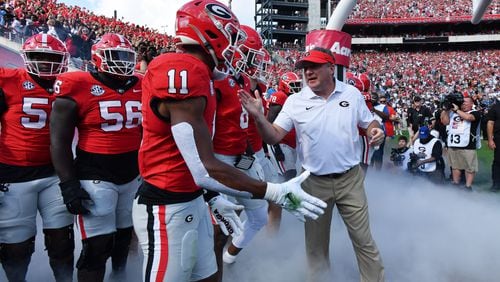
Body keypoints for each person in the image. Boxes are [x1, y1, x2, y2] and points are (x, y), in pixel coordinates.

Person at [133, 1, 326, 281]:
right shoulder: (181, 69)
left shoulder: (209, 75)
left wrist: (210, 197)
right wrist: (273, 191)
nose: (235, 47)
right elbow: (202, 167)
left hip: (191, 198)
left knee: (210, 276)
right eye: (233, 38)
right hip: (166, 204)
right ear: (211, 34)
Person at [239, 47, 385, 282]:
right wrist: (259, 118)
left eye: (314, 66)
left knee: (363, 240)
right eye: (305, 68)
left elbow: (369, 122)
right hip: (313, 182)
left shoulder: (352, 94)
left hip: (350, 179)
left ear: (330, 68)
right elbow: (274, 136)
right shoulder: (296, 101)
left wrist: (374, 130)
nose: (308, 72)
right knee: (315, 248)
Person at [50, 33, 142, 281]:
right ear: (98, 58)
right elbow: (59, 141)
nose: (122, 62)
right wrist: (69, 184)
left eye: (126, 57)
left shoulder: (142, 84)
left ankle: (120, 278)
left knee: (124, 238)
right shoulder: (78, 84)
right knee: (97, 246)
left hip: (132, 173)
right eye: (116, 56)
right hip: (95, 175)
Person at [0, 34, 74, 282]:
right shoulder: (8, 81)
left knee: (62, 239)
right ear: (25, 58)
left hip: (55, 173)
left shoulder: (72, 85)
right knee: (15, 244)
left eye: (50, 57)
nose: (44, 63)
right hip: (13, 173)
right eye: (38, 57)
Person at [266, 71, 301, 233]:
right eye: (293, 85)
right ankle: (285, 208)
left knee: (290, 176)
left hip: (290, 145)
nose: (297, 87)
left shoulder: (293, 98)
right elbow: (270, 122)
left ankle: (285, 208)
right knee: (286, 177)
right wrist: (276, 147)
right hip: (280, 144)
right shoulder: (280, 96)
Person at [440, 96, 481, 190]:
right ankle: (456, 183)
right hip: (453, 144)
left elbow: (469, 117)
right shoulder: (453, 113)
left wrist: (457, 110)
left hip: (468, 144)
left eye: (466, 102)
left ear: (472, 104)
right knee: (455, 166)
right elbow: (445, 122)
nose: (464, 104)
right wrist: (446, 109)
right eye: (462, 102)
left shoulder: (475, 112)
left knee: (469, 167)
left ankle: (468, 186)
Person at [486, 96, 500, 191]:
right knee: (498, 162)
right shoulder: (495, 107)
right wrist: (490, 140)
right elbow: (490, 123)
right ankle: (496, 183)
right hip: (499, 138)